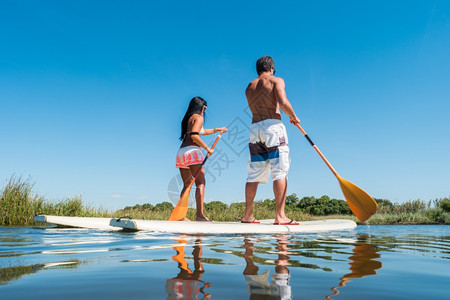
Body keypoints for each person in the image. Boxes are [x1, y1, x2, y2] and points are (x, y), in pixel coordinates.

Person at [241, 56, 300, 225]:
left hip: (254, 129)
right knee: (280, 171)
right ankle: (280, 216)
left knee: (253, 174)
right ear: (271, 68)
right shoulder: (276, 80)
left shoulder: (249, 87)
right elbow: (282, 102)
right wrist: (293, 116)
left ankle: (248, 215)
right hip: (273, 127)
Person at [176, 96, 227, 221]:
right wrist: (207, 148)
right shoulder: (199, 117)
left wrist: (217, 130)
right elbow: (195, 135)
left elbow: (201, 131)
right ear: (203, 107)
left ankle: (181, 216)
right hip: (193, 152)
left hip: (181, 153)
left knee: (187, 184)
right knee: (200, 183)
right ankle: (200, 215)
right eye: (205, 108)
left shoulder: (189, 119)